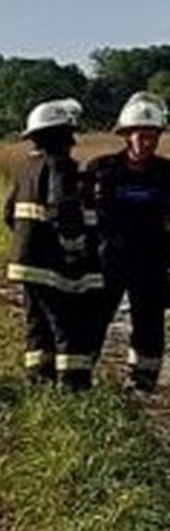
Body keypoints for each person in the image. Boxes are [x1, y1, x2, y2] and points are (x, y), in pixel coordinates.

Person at [3, 98, 104, 391]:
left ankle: (38, 380)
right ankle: (74, 386)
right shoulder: (58, 165)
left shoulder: (26, 169)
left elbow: (9, 213)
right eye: (68, 134)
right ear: (57, 136)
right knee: (69, 323)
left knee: (37, 324)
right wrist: (75, 245)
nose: (73, 141)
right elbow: (63, 208)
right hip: (49, 265)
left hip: (24, 263)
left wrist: (27, 240)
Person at [83, 92, 170, 392]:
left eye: (153, 137)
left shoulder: (166, 174)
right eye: (141, 136)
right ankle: (81, 375)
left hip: (152, 261)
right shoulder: (100, 170)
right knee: (94, 319)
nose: (147, 143)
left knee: (149, 324)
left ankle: (143, 382)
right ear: (126, 135)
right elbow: (80, 216)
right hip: (107, 260)